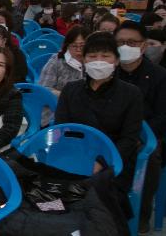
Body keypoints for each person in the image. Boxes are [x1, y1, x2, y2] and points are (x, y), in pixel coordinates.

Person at [54, 32, 145, 185]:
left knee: (96, 195)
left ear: (116, 61)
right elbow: (62, 128)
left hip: (113, 160)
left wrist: (102, 162)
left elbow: (129, 138)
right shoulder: (70, 90)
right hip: (75, 156)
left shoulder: (131, 93)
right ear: (83, 60)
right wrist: (78, 159)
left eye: (105, 56)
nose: (98, 61)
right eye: (92, 56)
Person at [114, 21, 166, 232]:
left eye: (131, 42)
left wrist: (137, 135)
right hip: (112, 131)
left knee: (149, 156)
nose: (125, 46)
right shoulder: (108, 71)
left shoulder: (159, 75)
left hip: (143, 134)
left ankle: (140, 214)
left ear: (144, 46)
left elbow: (162, 117)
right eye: (120, 42)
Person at [38, 25, 87, 94]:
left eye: (82, 46)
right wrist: (64, 96)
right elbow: (44, 87)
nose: (78, 50)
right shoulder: (57, 60)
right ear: (67, 46)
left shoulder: (93, 62)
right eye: (74, 46)